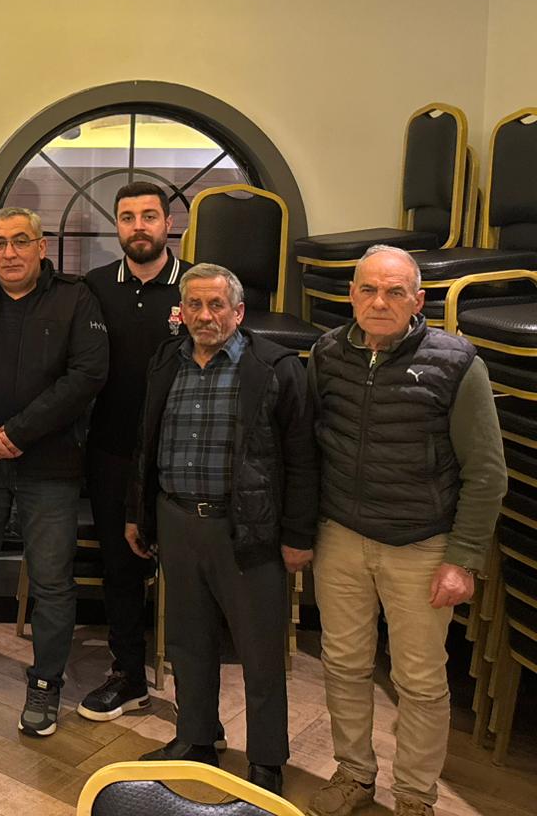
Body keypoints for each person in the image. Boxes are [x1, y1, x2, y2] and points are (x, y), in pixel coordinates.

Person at [306, 245, 507, 816]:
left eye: (395, 292)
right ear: (352, 295)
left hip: (422, 545)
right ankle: (354, 774)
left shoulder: (457, 363)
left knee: (419, 681)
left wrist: (462, 559)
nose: (380, 302)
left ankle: (415, 796)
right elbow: (308, 445)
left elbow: (487, 471)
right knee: (344, 666)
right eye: (369, 289)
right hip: (340, 537)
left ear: (418, 300)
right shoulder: (325, 354)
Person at [125, 263, 316, 796]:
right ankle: (196, 738)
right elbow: (145, 441)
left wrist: (298, 535)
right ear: (181, 311)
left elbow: (303, 457)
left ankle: (267, 759)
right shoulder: (167, 360)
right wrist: (137, 512)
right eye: (194, 305)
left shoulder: (275, 367)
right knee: (187, 641)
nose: (204, 316)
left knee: (260, 651)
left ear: (238, 311)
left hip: (247, 530)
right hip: (177, 520)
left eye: (216, 306)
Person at [0, 207, 109, 733]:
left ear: (41, 246)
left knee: (51, 581)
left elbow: (87, 375)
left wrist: (17, 434)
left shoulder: (75, 298)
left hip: (49, 467)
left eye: (20, 241)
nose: (9, 253)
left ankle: (46, 683)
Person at [79, 182, 190, 721]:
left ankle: (196, 694)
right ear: (117, 226)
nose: (138, 226)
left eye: (149, 216)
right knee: (120, 570)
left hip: (183, 456)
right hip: (112, 451)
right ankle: (127, 675)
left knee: (190, 575)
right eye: (128, 217)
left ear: (169, 224)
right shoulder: (96, 286)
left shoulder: (196, 286)